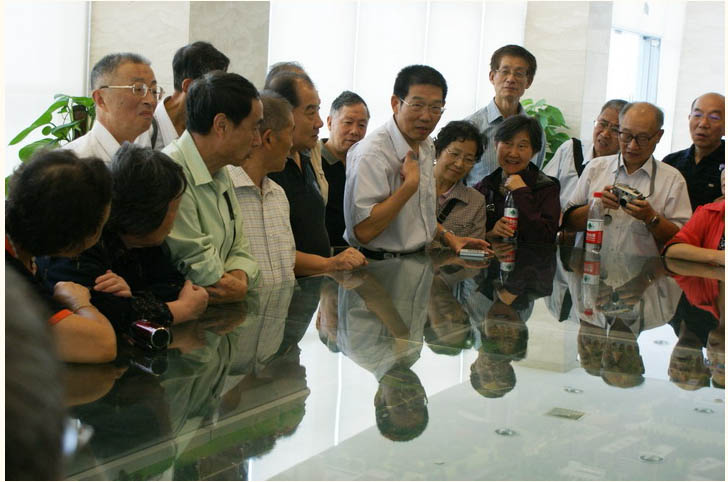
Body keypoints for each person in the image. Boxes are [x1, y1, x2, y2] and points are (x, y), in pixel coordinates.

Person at [37, 143, 210, 332]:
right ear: (150, 212)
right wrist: (181, 310)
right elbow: (105, 316)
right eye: (174, 208)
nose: (176, 218)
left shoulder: (143, 244)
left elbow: (175, 286)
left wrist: (133, 297)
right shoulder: (83, 242)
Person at [344, 64, 489, 258]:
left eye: (435, 108)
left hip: (419, 260)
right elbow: (363, 231)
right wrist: (409, 186)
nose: (426, 116)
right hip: (380, 263)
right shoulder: (372, 153)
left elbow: (420, 214)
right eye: (417, 105)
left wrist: (448, 237)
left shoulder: (426, 145)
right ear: (396, 103)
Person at [6, 149, 117, 363]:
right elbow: (102, 345)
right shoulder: (10, 278)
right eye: (100, 228)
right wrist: (79, 302)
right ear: (72, 236)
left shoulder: (19, 244)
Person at [163, 71, 262, 302]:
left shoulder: (221, 169)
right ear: (221, 125)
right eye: (254, 128)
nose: (258, 140)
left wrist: (240, 279)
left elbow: (241, 248)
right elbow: (195, 265)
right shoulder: (171, 171)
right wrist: (234, 284)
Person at [268, 72, 367, 275]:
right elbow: (271, 252)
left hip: (316, 284)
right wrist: (329, 264)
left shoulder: (306, 158)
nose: (319, 123)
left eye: (362, 124)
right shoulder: (270, 168)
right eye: (310, 112)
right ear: (284, 114)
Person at [563, 102, 692, 257]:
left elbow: (682, 240)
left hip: (644, 271)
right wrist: (596, 206)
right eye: (626, 135)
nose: (632, 145)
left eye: (642, 138)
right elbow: (568, 223)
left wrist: (650, 217)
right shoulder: (596, 168)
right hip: (592, 266)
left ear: (659, 136)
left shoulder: (673, 180)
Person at [228, 91, 297, 286]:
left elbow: (289, 266)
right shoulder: (225, 191)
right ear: (269, 139)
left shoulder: (278, 195)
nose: (292, 144)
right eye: (290, 133)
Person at [465, 44, 544, 185]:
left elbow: (536, 176)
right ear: (492, 77)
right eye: (505, 71)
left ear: (529, 81)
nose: (511, 79)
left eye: (518, 74)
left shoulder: (536, 131)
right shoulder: (471, 126)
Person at [474, 115, 560, 243]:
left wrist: (521, 192)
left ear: (534, 151)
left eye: (522, 146)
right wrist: (490, 235)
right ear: (496, 145)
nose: (513, 153)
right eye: (507, 143)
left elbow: (547, 237)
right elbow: (470, 237)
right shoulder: (484, 187)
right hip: (493, 255)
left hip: (532, 256)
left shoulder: (546, 188)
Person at [64, 52, 163, 163]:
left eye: (154, 91)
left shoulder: (148, 156)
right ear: (101, 99)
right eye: (138, 89)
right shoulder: (73, 162)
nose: (151, 100)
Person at [544, 99, 628, 209]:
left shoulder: (623, 168)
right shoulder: (571, 148)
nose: (605, 134)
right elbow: (543, 187)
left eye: (615, 130)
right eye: (602, 124)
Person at [151, 41, 230, 149]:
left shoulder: (205, 128)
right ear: (188, 86)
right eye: (214, 87)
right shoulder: (145, 129)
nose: (220, 96)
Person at [320, 90, 370, 247]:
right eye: (348, 122)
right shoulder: (312, 162)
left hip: (359, 253)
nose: (355, 131)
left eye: (361, 125)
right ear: (329, 122)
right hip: (325, 255)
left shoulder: (365, 165)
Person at [662, 92, 725, 210]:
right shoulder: (671, 162)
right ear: (689, 118)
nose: (703, 124)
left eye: (714, 117)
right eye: (697, 115)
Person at [430, 120, 486, 249]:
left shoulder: (476, 201)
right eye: (454, 154)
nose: (459, 164)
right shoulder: (414, 186)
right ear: (438, 151)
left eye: (468, 159)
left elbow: (474, 251)